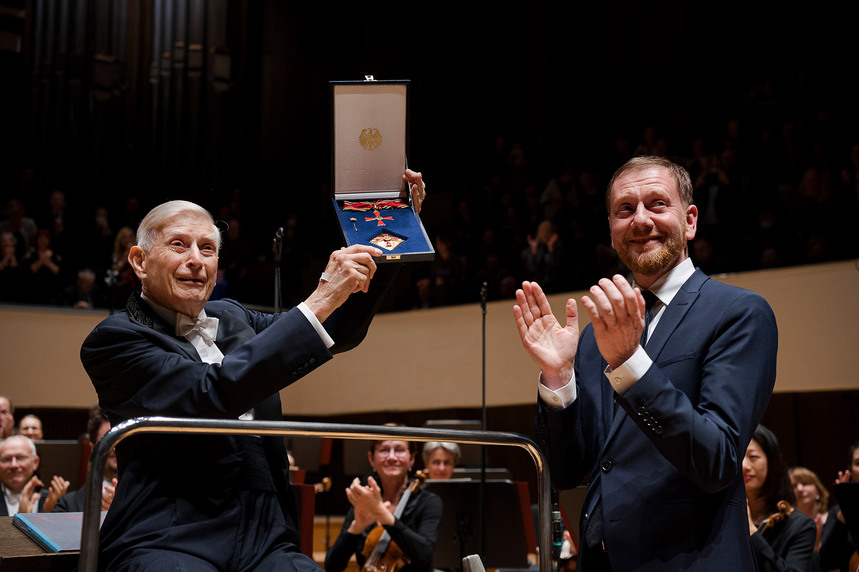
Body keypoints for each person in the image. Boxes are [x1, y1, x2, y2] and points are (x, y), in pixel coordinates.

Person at [81, 169, 426, 571]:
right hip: (171, 532)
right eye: (179, 245)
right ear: (139, 261)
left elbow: (332, 328)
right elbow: (210, 394)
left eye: (208, 249)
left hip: (266, 531)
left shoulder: (231, 315)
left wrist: (394, 229)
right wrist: (319, 298)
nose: (196, 260)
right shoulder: (115, 338)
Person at [513, 155, 778, 570]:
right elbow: (565, 472)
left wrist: (630, 363)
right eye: (625, 209)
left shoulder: (739, 313)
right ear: (612, 231)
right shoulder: (595, 338)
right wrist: (559, 378)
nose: (640, 220)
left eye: (657, 204)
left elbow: (718, 460)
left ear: (690, 220)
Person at [324, 436, 442, 572]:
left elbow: (424, 554)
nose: (392, 457)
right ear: (371, 458)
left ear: (412, 459)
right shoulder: (365, 502)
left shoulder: (428, 502)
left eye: (399, 450)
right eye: (384, 450)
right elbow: (331, 567)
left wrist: (382, 514)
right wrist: (357, 527)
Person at [744, 425, 816, 572]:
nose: (744, 465)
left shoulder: (800, 526)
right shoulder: (724, 518)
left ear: (772, 462)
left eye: (753, 457)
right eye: (739, 457)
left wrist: (752, 531)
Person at [53, 405, 118, 513]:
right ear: (93, 448)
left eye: (120, 438)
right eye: (108, 439)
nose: (115, 447)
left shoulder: (147, 498)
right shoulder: (67, 504)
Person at [819, 441, 859, 572]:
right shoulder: (837, 511)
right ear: (851, 471)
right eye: (858, 463)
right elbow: (828, 562)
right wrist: (844, 512)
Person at [0, 435, 51, 514]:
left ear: (35, 462)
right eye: (7, 459)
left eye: (20, 457)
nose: (14, 465)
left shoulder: (52, 500)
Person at [790, 466, 830, 551]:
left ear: (818, 490)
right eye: (794, 486)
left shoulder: (832, 521)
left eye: (805, 483)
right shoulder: (789, 526)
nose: (800, 489)